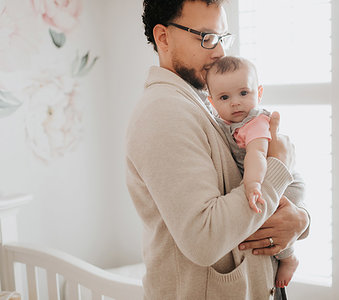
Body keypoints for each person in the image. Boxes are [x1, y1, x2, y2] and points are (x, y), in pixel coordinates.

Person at [126, 0, 310, 299]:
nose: (220, 51)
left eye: (223, 38)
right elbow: (205, 238)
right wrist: (279, 166)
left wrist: (298, 220)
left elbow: (241, 192)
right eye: (206, 37)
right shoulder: (164, 111)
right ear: (163, 37)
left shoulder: (205, 104)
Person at [205, 55, 300, 288]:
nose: (236, 102)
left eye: (244, 93)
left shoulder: (255, 122)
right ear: (212, 102)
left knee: (274, 216)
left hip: (283, 181)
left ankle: (289, 257)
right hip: (260, 176)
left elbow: (257, 154)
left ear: (258, 92)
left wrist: (254, 185)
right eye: (225, 97)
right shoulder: (221, 123)